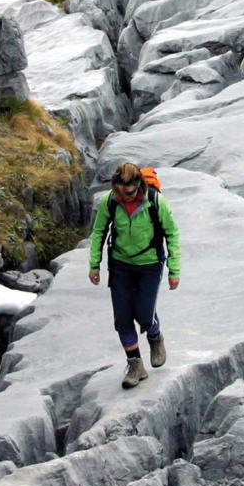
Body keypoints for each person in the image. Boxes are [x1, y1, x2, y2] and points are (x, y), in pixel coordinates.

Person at [87, 162, 182, 389]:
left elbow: (172, 233)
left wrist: (174, 269)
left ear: (138, 184)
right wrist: (94, 264)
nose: (124, 198)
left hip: (150, 264)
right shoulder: (111, 201)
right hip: (121, 265)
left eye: (128, 193)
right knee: (122, 318)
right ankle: (135, 365)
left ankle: (155, 335)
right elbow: (99, 230)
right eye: (120, 192)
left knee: (144, 314)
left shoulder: (156, 202)